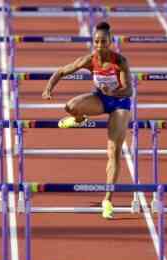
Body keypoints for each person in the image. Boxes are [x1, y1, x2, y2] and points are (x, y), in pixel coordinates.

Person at [42, 21, 133, 219]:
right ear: (93, 42)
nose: (100, 46)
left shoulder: (120, 61)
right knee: (71, 106)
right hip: (101, 99)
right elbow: (62, 71)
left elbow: (129, 90)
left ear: (110, 42)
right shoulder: (89, 60)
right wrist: (49, 87)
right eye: (97, 42)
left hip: (120, 103)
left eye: (104, 42)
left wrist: (115, 91)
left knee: (114, 151)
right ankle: (79, 118)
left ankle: (107, 200)